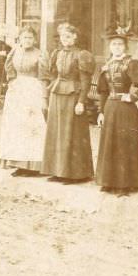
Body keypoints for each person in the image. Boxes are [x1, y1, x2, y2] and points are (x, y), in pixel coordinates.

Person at [96, 27, 138, 195]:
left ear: (125, 47)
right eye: (114, 44)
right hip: (110, 107)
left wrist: (132, 97)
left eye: (120, 44)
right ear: (109, 47)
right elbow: (103, 91)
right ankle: (108, 181)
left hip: (125, 109)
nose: (117, 47)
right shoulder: (106, 65)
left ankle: (124, 184)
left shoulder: (131, 63)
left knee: (123, 144)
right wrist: (101, 112)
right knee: (109, 143)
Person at [41, 23, 95, 183]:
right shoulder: (57, 53)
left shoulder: (82, 55)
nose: (65, 39)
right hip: (58, 94)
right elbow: (52, 75)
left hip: (74, 95)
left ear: (75, 37)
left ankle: (76, 174)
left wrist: (81, 102)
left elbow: (85, 81)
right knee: (57, 132)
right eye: (63, 36)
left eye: (69, 36)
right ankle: (58, 170)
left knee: (72, 133)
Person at [0, 27, 45, 176]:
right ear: (20, 39)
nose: (27, 41)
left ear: (35, 40)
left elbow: (43, 76)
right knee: (16, 126)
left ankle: (32, 166)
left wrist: (43, 95)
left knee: (31, 127)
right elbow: (9, 68)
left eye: (30, 38)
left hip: (33, 89)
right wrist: (12, 82)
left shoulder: (40, 54)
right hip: (17, 90)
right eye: (25, 38)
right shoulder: (15, 52)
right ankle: (18, 164)